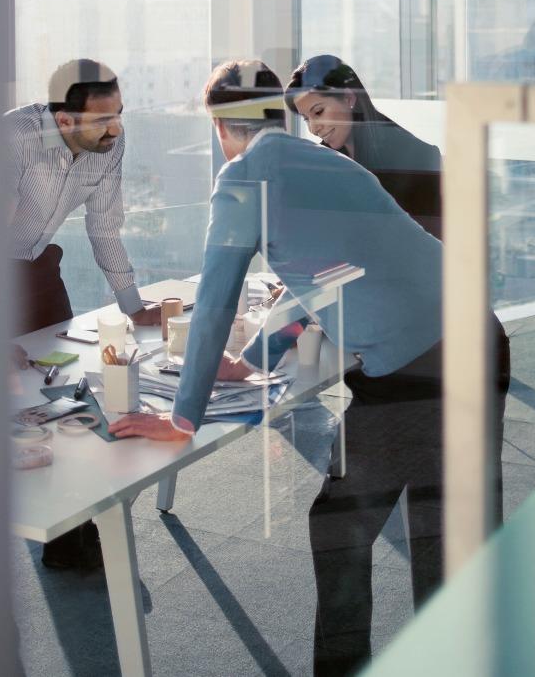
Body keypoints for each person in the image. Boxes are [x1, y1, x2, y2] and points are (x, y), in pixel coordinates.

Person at [111, 59, 509, 677]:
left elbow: (217, 297)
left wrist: (183, 415)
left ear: (221, 125)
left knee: (341, 525)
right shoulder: (331, 164)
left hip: (420, 372)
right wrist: (253, 361)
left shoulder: (243, 177)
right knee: (444, 529)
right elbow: (329, 276)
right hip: (481, 340)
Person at [6, 58, 160, 570]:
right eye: (102, 119)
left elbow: (105, 228)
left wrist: (133, 304)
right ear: (63, 119)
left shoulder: (107, 144)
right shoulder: (13, 139)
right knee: (10, 395)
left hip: (35, 268)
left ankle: (71, 529)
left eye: (118, 113)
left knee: (66, 382)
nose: (116, 129)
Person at [285, 54, 444, 239]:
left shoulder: (415, 156)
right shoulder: (325, 159)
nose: (313, 128)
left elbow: (429, 247)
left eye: (318, 112)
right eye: (306, 119)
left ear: (348, 98)